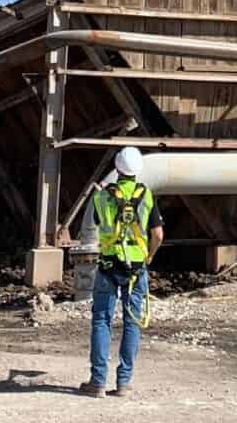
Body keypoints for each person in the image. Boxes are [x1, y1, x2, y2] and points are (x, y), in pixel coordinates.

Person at [80, 146, 163, 398]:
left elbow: (94, 222)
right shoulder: (146, 195)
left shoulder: (102, 197)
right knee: (132, 322)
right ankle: (124, 383)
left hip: (108, 266)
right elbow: (158, 234)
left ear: (117, 169)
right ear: (137, 171)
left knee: (102, 320)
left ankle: (97, 383)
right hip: (136, 269)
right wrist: (149, 255)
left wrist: (100, 196)